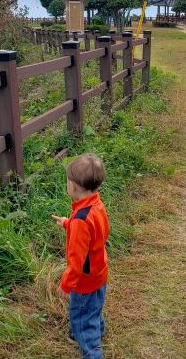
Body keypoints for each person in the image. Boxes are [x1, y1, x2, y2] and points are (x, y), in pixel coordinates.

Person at [52, 154, 110, 359]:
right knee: (94, 307)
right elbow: (94, 233)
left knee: (82, 316)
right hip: (99, 272)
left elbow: (76, 262)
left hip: (84, 280)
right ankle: (99, 330)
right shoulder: (97, 206)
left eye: (68, 182)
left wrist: (66, 285)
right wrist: (68, 223)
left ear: (74, 187)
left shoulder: (81, 220)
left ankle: (91, 350)